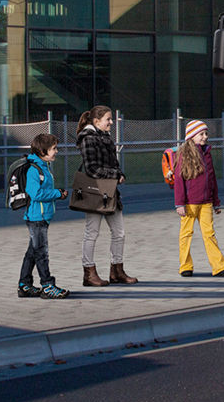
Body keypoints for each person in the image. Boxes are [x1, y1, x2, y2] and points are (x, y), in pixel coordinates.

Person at [75, 104, 137, 286]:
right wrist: (115, 175)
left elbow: (113, 163)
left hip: (110, 190)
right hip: (95, 192)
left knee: (119, 232)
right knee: (92, 232)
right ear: (96, 121)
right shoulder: (87, 139)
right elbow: (92, 168)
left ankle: (117, 270)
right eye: (108, 119)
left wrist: (119, 173)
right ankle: (89, 272)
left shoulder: (105, 137)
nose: (111, 122)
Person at [173, 119, 224, 277]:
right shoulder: (183, 155)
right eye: (201, 134)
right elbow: (179, 181)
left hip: (206, 202)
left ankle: (219, 267)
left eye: (206, 133)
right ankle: (185, 266)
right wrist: (179, 203)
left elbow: (212, 179)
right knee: (186, 234)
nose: (204, 137)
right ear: (192, 136)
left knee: (209, 234)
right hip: (189, 204)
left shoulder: (207, 153)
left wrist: (216, 201)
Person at [18, 132, 69, 299]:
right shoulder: (34, 169)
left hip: (41, 217)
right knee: (41, 253)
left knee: (33, 252)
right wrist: (57, 193)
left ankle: (24, 285)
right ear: (43, 151)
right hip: (36, 218)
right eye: (54, 149)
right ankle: (47, 286)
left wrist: (57, 193)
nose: (56, 151)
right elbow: (36, 194)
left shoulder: (43, 166)